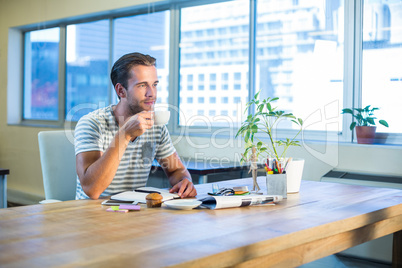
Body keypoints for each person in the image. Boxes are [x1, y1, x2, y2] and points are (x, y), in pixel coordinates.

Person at [74, 52, 197, 200]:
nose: (152, 93)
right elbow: (92, 189)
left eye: (154, 85)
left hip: (133, 211)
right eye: (142, 85)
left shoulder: (156, 126)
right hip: (92, 215)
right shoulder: (92, 123)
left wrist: (185, 182)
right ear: (121, 90)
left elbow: (176, 170)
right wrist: (124, 135)